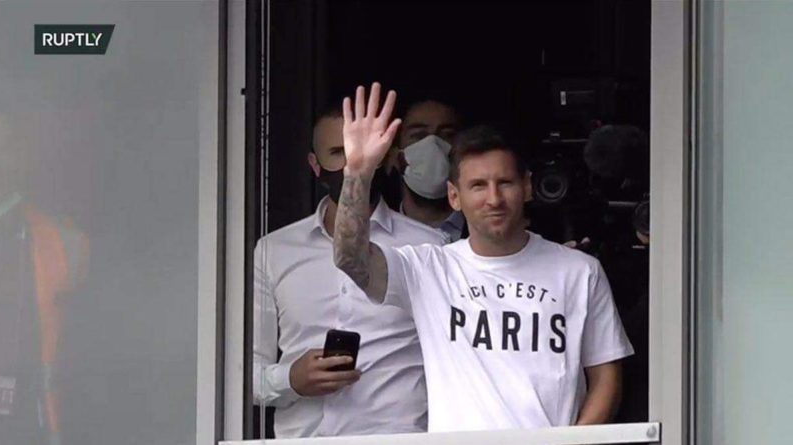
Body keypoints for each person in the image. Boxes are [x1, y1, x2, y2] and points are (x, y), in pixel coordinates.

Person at [332, 83, 634, 432]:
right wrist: (357, 172)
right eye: (477, 186)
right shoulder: (429, 269)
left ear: (527, 187)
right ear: (454, 196)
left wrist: (573, 444)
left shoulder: (580, 271)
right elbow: (349, 258)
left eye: (504, 182)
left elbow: (606, 376)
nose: (493, 198)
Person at [253, 106, 445, 438]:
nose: (352, 163)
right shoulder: (274, 250)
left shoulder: (430, 247)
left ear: (384, 158)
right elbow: (239, 374)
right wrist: (291, 379)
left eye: (361, 151)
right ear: (315, 165)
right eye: (339, 152)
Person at [0, 109, 89, 445]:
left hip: (32, 428)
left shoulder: (65, 241)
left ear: (21, 155)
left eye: (1, 147)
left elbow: (92, 354)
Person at [395, 99, 466, 241]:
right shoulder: (373, 238)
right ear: (394, 154)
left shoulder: (490, 232)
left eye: (447, 135)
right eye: (418, 135)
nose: (433, 144)